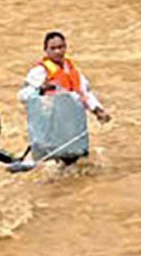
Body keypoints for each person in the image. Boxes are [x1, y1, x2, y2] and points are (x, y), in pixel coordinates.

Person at [18, 31, 111, 163]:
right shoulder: (39, 72)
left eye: (61, 47)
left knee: (77, 161)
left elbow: (85, 93)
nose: (58, 51)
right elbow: (22, 95)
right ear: (46, 50)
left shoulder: (72, 70)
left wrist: (98, 110)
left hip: (72, 125)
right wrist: (41, 90)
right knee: (54, 162)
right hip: (51, 125)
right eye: (53, 48)